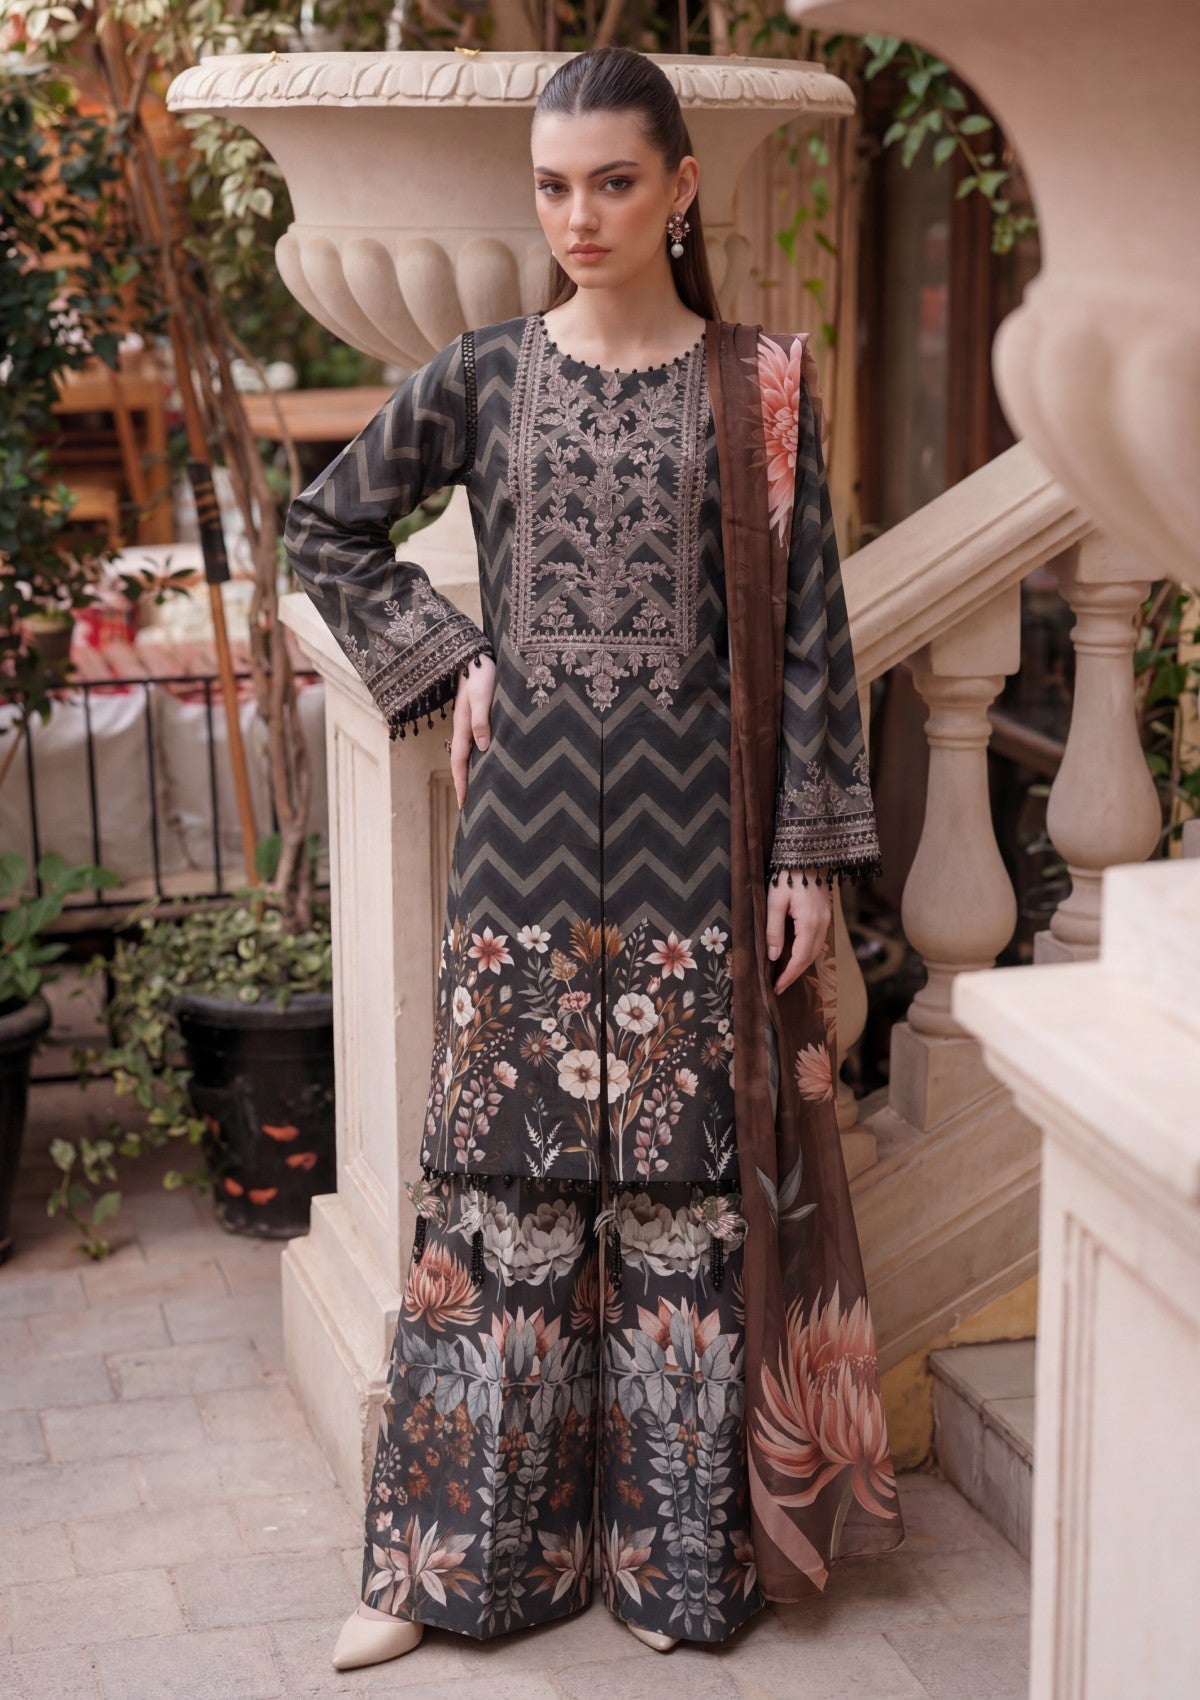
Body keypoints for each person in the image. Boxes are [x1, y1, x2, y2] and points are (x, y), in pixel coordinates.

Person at [284, 44, 903, 1674]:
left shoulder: (763, 385)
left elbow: (813, 635)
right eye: (554, 186)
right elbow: (323, 526)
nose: (580, 216)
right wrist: (453, 656)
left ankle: (673, 1566)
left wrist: (806, 858)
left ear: (681, 188)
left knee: (687, 1207)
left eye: (614, 182)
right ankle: (440, 1571)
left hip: (702, 851)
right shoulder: (484, 375)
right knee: (498, 1205)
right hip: (526, 865)